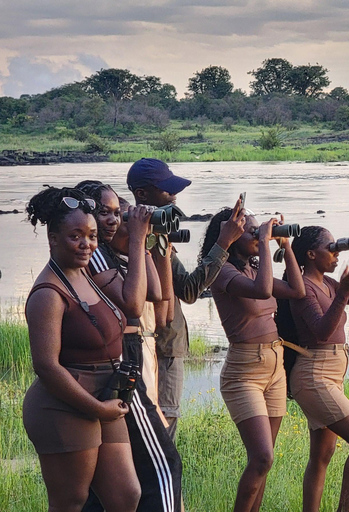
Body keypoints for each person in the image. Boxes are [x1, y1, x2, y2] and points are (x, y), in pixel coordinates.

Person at [22, 186, 140, 511]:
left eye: (91, 235)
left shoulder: (86, 273)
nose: (87, 244)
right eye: (76, 236)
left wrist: (142, 241)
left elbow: (137, 301)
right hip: (64, 405)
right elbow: (46, 366)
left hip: (105, 397)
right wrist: (96, 409)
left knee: (125, 495)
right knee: (71, 502)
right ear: (53, 238)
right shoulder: (48, 293)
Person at [76, 180, 183, 512]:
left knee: (109, 484)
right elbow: (134, 306)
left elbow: (154, 293)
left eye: (116, 213)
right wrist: (136, 237)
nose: (112, 221)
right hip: (117, 363)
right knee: (165, 468)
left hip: (126, 358)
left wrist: (147, 241)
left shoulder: (107, 252)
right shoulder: (92, 255)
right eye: (104, 213)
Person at [127, 157, 245, 440]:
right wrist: (224, 243)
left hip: (161, 346)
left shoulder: (148, 237)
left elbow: (186, 289)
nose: (174, 196)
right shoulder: (141, 241)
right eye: (167, 191)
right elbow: (189, 292)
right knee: (162, 432)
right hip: (162, 346)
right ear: (142, 195)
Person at [203, 207, 305, 512]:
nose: (256, 235)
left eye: (257, 230)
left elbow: (297, 290)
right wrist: (263, 240)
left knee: (264, 461)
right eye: (249, 231)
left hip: (275, 366)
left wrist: (285, 248)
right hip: (244, 371)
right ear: (231, 237)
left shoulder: (254, 266)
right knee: (262, 457)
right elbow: (262, 292)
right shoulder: (222, 271)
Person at [285, 226, 349, 512]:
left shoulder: (328, 283)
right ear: (311, 254)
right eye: (331, 247)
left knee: (322, 455)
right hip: (314, 374)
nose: (336, 253)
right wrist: (344, 292)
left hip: (331, 374)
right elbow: (322, 331)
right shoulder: (302, 287)